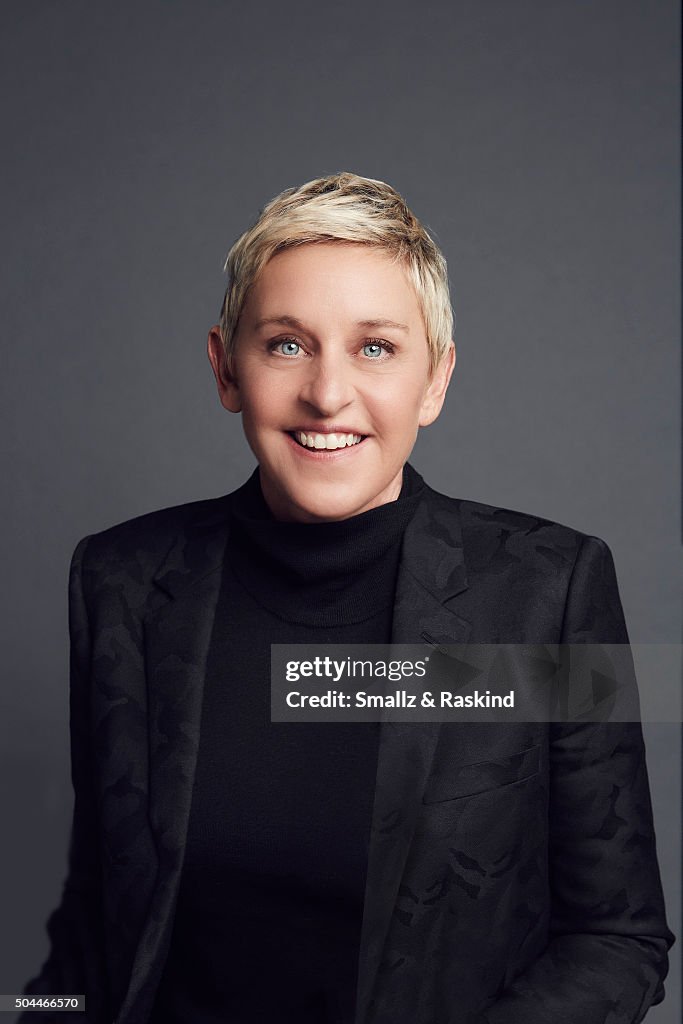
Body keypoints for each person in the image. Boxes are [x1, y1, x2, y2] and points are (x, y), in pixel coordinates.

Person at [23, 173, 673, 1024]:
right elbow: (95, 929)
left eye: (375, 348)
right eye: (286, 344)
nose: (327, 394)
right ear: (226, 369)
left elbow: (617, 939)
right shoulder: (121, 580)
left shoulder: (551, 588)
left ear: (433, 382)